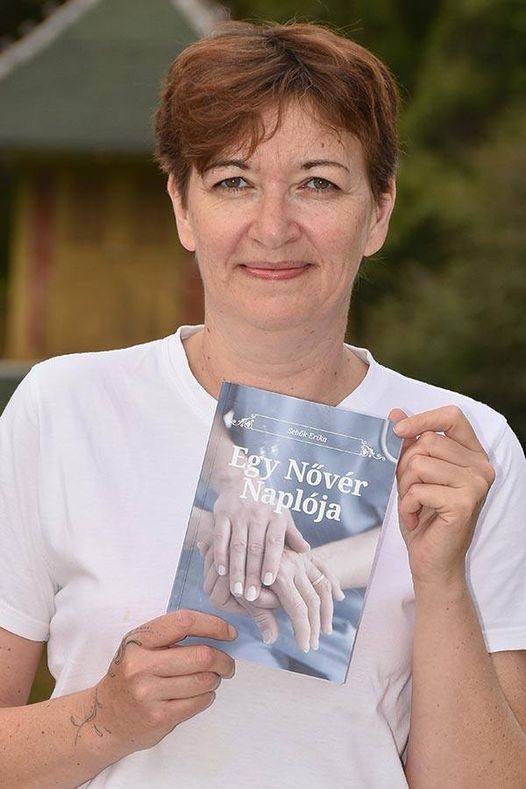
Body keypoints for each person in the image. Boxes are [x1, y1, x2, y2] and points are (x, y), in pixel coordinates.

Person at [0, 19, 525, 789]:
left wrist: (441, 580)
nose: (273, 226)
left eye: (318, 183)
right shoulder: (64, 409)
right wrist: (106, 719)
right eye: (233, 182)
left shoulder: (465, 449)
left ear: (379, 212)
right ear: (183, 208)